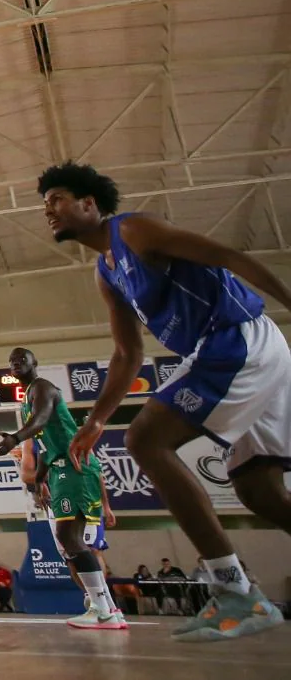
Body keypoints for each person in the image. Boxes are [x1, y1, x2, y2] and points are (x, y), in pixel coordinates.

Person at [40, 162, 289, 641]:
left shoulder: (134, 230)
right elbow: (127, 354)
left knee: (146, 440)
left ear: (89, 204)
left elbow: (228, 256)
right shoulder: (107, 272)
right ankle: (238, 591)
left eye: (57, 198)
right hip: (232, 351)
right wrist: (95, 422)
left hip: (237, 341)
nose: (47, 209)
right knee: (260, 492)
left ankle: (235, 589)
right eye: (46, 203)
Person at [0, 347, 125, 630]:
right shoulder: (27, 398)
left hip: (74, 466)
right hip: (59, 468)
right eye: (12, 361)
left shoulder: (43, 388)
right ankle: (105, 608)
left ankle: (103, 609)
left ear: (34, 363)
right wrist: (40, 478)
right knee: (70, 540)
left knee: (73, 537)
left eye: (22, 359)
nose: (16, 363)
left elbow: (39, 420)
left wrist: (15, 438)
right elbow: (46, 444)